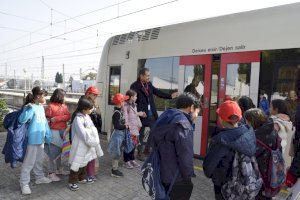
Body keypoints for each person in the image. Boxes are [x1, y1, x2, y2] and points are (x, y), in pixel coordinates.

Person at [203, 100, 256, 200]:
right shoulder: (248, 132)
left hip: (224, 185)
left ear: (222, 118)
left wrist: (214, 177)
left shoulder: (221, 139)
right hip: (244, 183)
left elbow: (208, 168)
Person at [151, 93, 200, 200]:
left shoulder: (167, 117)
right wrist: (187, 177)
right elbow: (185, 156)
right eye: (197, 111)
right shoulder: (183, 125)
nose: (197, 114)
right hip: (176, 177)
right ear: (191, 107)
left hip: (162, 171)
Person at [130, 68, 179, 160]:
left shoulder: (149, 84)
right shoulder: (134, 86)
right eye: (147, 75)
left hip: (151, 114)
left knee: (154, 131)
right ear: (141, 76)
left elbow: (158, 92)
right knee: (140, 134)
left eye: (149, 75)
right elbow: (132, 101)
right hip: (141, 114)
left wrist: (170, 96)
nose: (149, 77)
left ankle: (147, 150)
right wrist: (137, 113)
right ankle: (139, 153)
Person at [18, 86, 52, 195]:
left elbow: (45, 123)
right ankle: (24, 183)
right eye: (44, 96)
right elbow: (21, 120)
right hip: (31, 140)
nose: (46, 98)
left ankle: (39, 177)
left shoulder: (41, 107)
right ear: (38, 96)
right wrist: (27, 109)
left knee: (39, 160)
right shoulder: (31, 107)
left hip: (40, 140)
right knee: (28, 163)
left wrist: (48, 135)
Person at [68, 97, 103, 191]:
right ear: (84, 109)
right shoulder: (78, 119)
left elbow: (92, 129)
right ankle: (72, 182)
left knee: (84, 162)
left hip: (87, 144)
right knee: (76, 163)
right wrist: (93, 140)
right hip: (80, 145)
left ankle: (81, 178)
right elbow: (83, 134)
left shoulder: (86, 116)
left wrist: (91, 137)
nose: (92, 110)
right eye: (90, 108)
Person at [244, 108, 279, 200]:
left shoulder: (256, 137)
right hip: (272, 173)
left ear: (252, 121)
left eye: (247, 121)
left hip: (260, 176)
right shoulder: (273, 131)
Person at [45, 88, 71, 181]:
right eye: (64, 95)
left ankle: (59, 169)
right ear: (60, 96)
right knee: (52, 152)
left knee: (60, 151)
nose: (65, 98)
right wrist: (60, 118)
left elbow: (68, 116)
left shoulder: (64, 106)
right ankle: (51, 172)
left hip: (63, 131)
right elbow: (47, 120)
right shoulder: (50, 106)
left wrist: (56, 118)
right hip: (54, 131)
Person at [80, 86, 102, 181]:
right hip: (87, 134)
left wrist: (97, 109)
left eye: (96, 95)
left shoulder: (93, 104)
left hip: (93, 132)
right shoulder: (83, 104)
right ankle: (87, 174)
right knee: (87, 155)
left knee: (92, 155)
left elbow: (99, 115)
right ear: (88, 94)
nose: (96, 97)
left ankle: (91, 173)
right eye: (94, 95)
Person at [123, 90, 146, 169]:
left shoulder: (134, 105)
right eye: (135, 96)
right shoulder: (125, 105)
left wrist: (140, 114)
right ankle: (126, 161)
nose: (136, 97)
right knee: (128, 144)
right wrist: (126, 126)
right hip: (129, 128)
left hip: (135, 128)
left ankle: (132, 159)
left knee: (134, 144)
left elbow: (135, 115)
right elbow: (125, 116)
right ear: (131, 97)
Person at [108, 93, 129, 177]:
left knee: (118, 151)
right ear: (120, 103)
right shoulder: (117, 113)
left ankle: (115, 169)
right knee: (116, 152)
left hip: (120, 135)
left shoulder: (119, 111)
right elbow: (117, 126)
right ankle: (114, 170)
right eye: (123, 101)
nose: (124, 102)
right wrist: (125, 126)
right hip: (117, 135)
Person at [270, 99, 294, 168]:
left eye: (271, 107)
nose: (269, 109)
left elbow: (270, 137)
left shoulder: (275, 122)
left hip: (274, 152)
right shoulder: (286, 121)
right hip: (281, 149)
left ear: (276, 109)